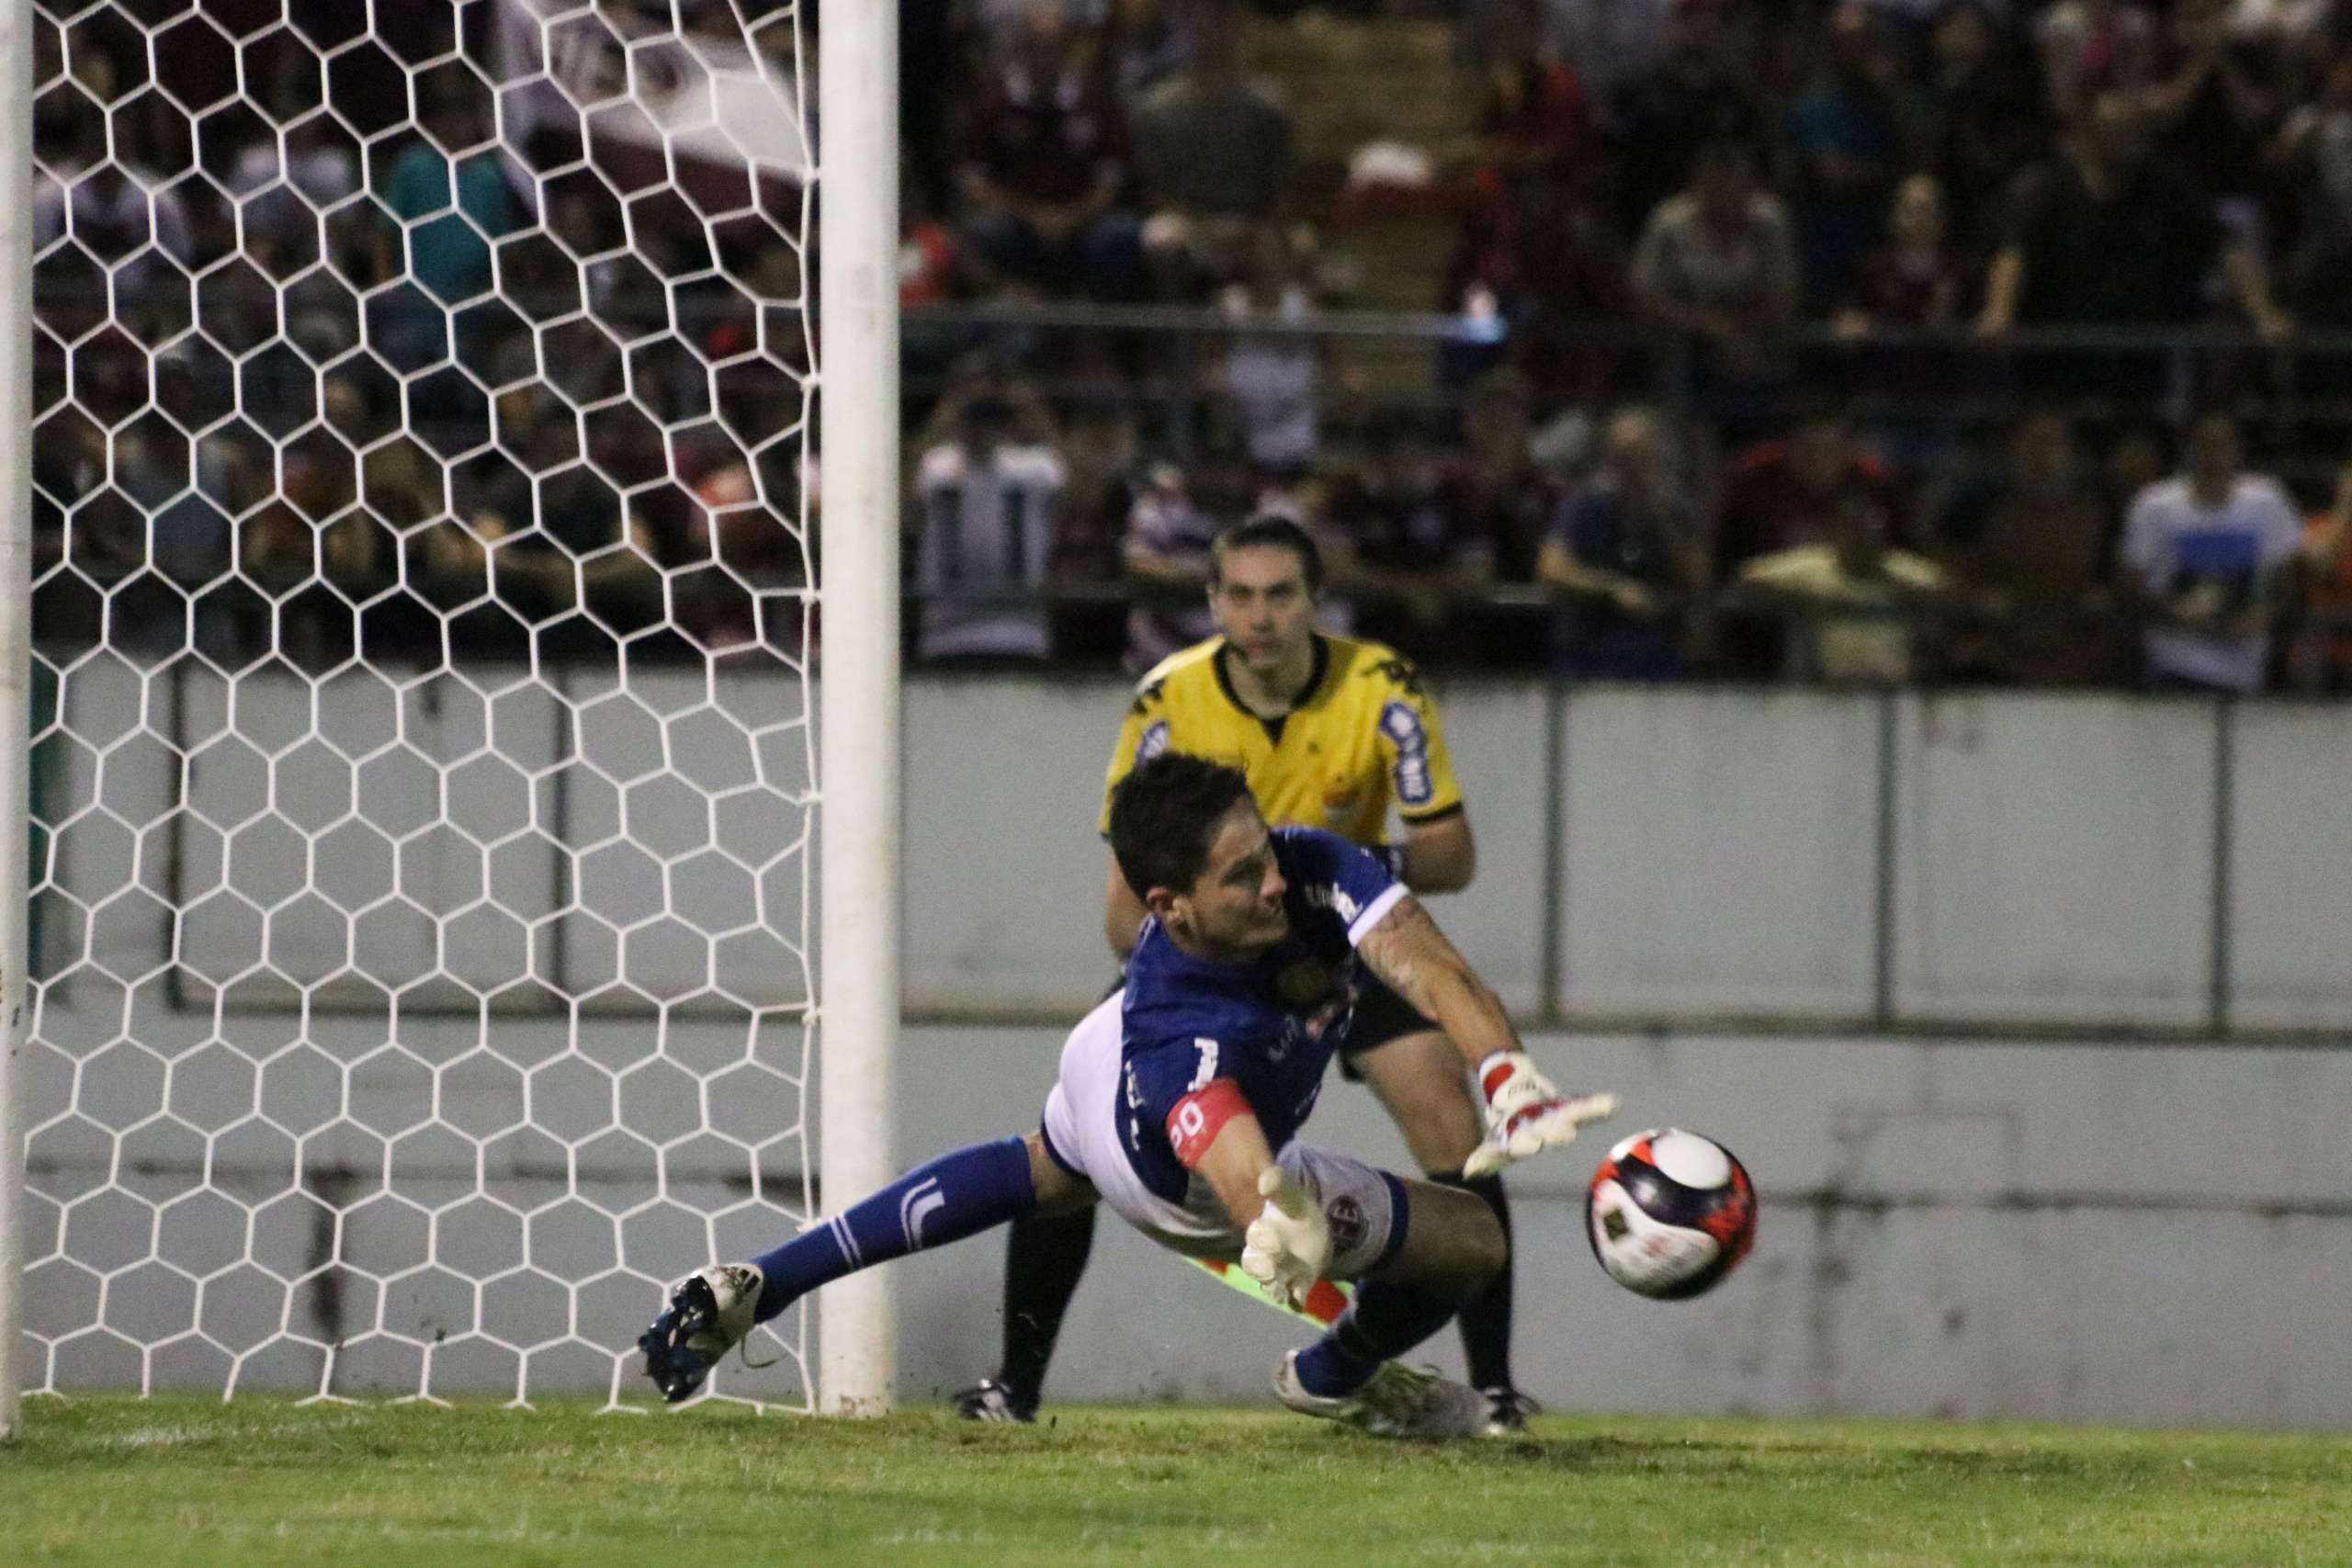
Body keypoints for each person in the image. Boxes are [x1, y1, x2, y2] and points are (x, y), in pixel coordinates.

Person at [641, 754, 1619, 1438]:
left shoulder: (1308, 864)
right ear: (1169, 905)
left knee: (1040, 1169)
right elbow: (1230, 1158)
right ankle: (1334, 1375)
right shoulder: (1182, 1034)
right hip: (1172, 1172)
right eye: (1243, 877)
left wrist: (1503, 1073)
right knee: (1472, 1247)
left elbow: (1425, 963)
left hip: (1093, 1052)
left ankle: (765, 1281)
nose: (1275, 884)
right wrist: (1273, 1222)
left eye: (1266, 854)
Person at [956, 517, 1542, 1435]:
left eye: (1279, 595)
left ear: (1315, 601)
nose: (1259, 615)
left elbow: (1451, 853)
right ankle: (1014, 1386)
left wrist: (1327, 876)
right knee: (1068, 1142)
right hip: (1218, 955)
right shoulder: (1167, 700)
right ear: (1210, 602)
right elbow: (1122, 909)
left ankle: (1495, 1388)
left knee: (1448, 1115)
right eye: (1239, 595)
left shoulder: (1381, 687)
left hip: (1336, 935)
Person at [2118, 411, 2301, 693]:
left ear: (2237, 450)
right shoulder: (2155, 505)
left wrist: (2262, 617)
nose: (2213, 456)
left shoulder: (2267, 501)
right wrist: (2178, 613)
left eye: (2222, 446)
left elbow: (2290, 580)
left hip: (2246, 664)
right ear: (2189, 449)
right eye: (2204, 446)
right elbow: (2131, 585)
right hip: (2174, 663)